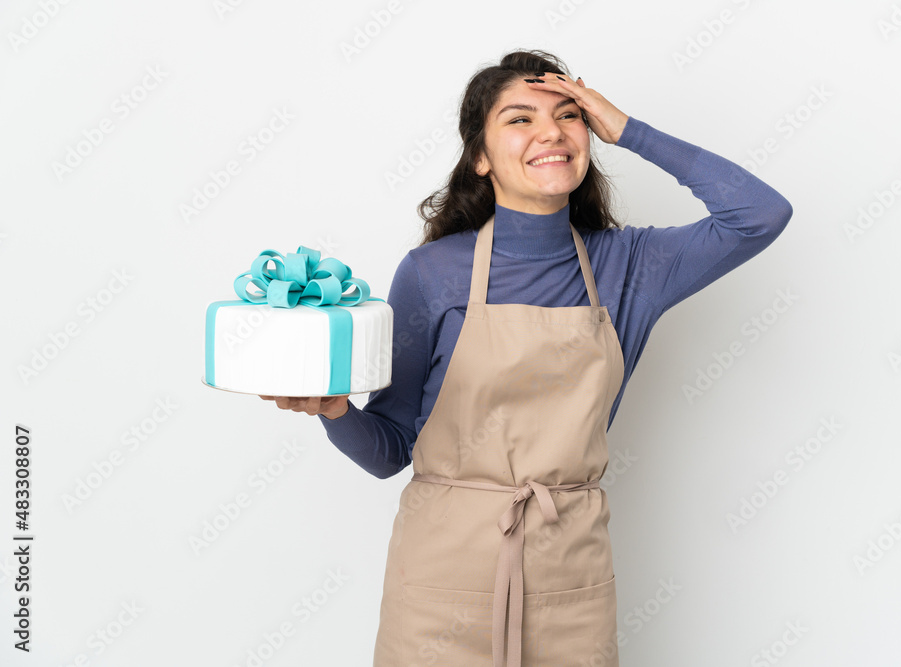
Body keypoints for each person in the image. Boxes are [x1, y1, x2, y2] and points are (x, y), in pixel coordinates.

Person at [262, 49, 792, 666]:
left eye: (569, 115)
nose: (551, 131)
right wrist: (334, 411)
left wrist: (628, 129)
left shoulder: (631, 267)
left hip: (570, 580)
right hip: (439, 585)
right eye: (520, 119)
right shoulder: (432, 273)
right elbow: (389, 453)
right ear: (480, 158)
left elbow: (760, 216)